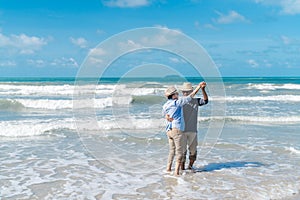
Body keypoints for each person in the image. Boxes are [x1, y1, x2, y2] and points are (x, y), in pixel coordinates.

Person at [162, 83, 202, 175]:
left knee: (172, 151)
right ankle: (176, 173)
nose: (178, 94)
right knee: (179, 152)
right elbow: (191, 96)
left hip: (169, 130)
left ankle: (168, 169)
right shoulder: (177, 103)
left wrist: (167, 116)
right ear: (173, 95)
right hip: (177, 130)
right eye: (176, 93)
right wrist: (199, 87)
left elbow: (164, 114)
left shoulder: (165, 105)